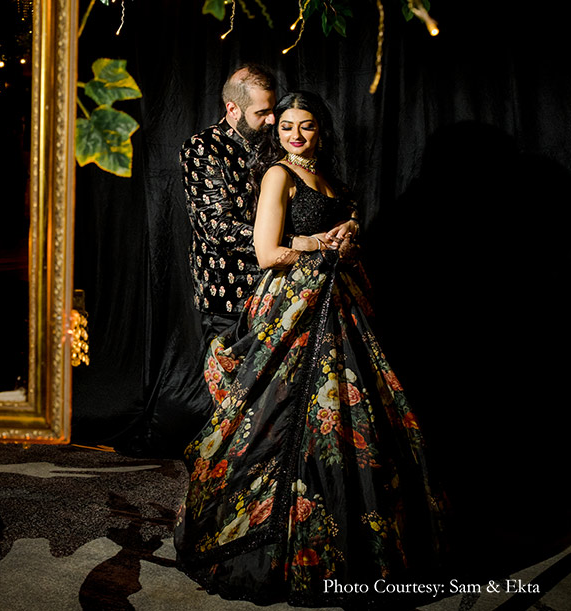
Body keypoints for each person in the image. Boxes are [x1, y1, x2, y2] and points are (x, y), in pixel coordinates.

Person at [174, 92, 447, 607]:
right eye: (285, 127)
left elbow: (347, 245)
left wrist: (348, 241)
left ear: (321, 130)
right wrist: (319, 242)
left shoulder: (333, 180)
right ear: (276, 132)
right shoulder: (278, 175)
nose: (295, 135)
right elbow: (266, 252)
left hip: (342, 300)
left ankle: (359, 539)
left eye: (305, 126)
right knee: (284, 414)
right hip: (294, 304)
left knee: (357, 414)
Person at [181, 64, 277, 345]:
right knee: (227, 370)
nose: (272, 119)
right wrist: (287, 242)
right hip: (228, 295)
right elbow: (217, 227)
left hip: (278, 287)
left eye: (273, 109)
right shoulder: (202, 149)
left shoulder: (276, 142)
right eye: (262, 112)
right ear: (233, 109)